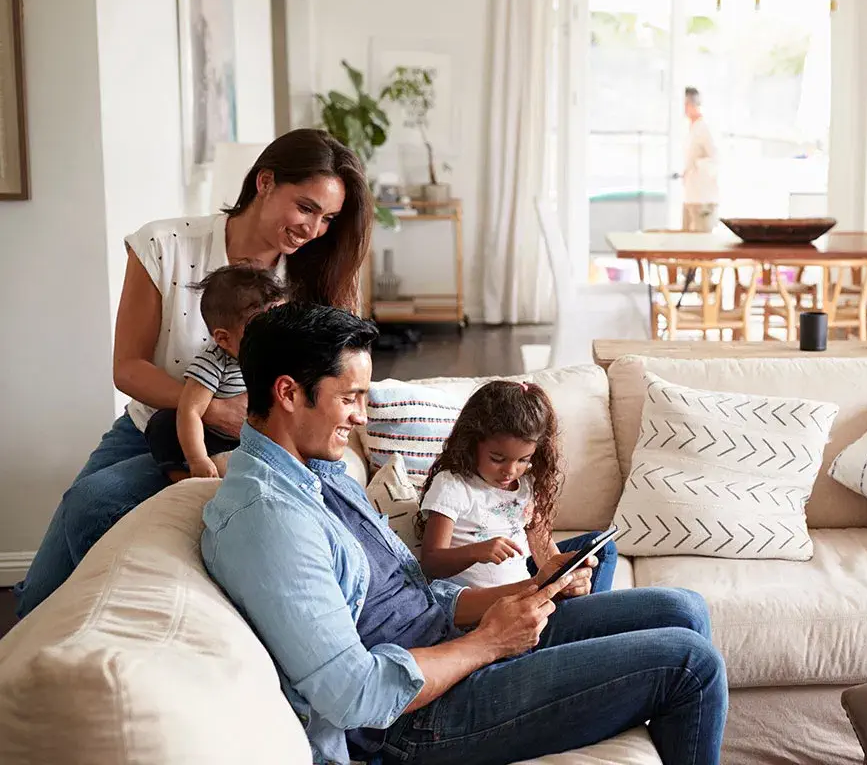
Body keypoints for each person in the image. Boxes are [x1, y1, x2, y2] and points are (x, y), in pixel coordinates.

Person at [202, 303, 727, 765]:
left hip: (448, 641)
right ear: (289, 393)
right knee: (690, 663)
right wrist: (490, 642)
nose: (361, 417)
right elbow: (353, 694)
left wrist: (532, 588)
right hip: (415, 718)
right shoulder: (269, 520)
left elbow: (419, 595)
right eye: (350, 398)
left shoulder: (321, 473)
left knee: (683, 609)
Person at [15, 128, 371, 618]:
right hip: (154, 423)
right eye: (306, 207)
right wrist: (215, 408)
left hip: (251, 444)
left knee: (95, 502)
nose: (313, 229)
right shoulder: (165, 245)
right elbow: (128, 367)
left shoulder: (313, 277)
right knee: (39, 592)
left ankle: (108, 627)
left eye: (328, 218)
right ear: (264, 182)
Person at [418, 380, 618, 593]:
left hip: (527, 589)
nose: (510, 471)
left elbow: (544, 552)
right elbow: (431, 562)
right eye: (497, 458)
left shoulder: (525, 484)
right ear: (472, 442)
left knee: (603, 549)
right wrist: (476, 552)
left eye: (523, 460)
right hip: (489, 604)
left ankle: (584, 610)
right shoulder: (453, 485)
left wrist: (565, 581)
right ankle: (587, 616)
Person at [144, 264, 287, 481]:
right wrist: (198, 458)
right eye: (261, 330)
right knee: (164, 423)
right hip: (216, 441)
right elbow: (190, 410)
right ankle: (182, 477)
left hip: (259, 439)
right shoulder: (214, 362)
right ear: (223, 339)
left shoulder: (281, 356)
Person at [682, 86, 720, 232]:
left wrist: (696, 167)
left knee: (701, 242)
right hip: (691, 196)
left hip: (703, 197)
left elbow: (715, 159)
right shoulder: (691, 128)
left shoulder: (706, 128)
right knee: (686, 243)